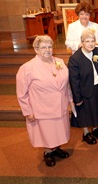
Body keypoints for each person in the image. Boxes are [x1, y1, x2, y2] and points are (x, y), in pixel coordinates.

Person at [16, 35, 71, 167]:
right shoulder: (27, 68)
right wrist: (28, 111)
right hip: (42, 107)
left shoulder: (59, 62)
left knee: (59, 130)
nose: (47, 50)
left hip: (60, 105)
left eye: (50, 46)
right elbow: (21, 93)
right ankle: (48, 152)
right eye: (43, 47)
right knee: (47, 133)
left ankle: (56, 148)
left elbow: (67, 84)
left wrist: (70, 100)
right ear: (36, 49)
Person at [68, 29, 98, 145]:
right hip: (84, 90)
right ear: (82, 43)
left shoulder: (97, 52)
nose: (90, 44)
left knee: (96, 109)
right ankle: (86, 133)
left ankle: (95, 129)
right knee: (86, 113)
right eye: (87, 41)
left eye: (92, 41)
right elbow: (74, 80)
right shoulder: (75, 59)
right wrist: (78, 98)